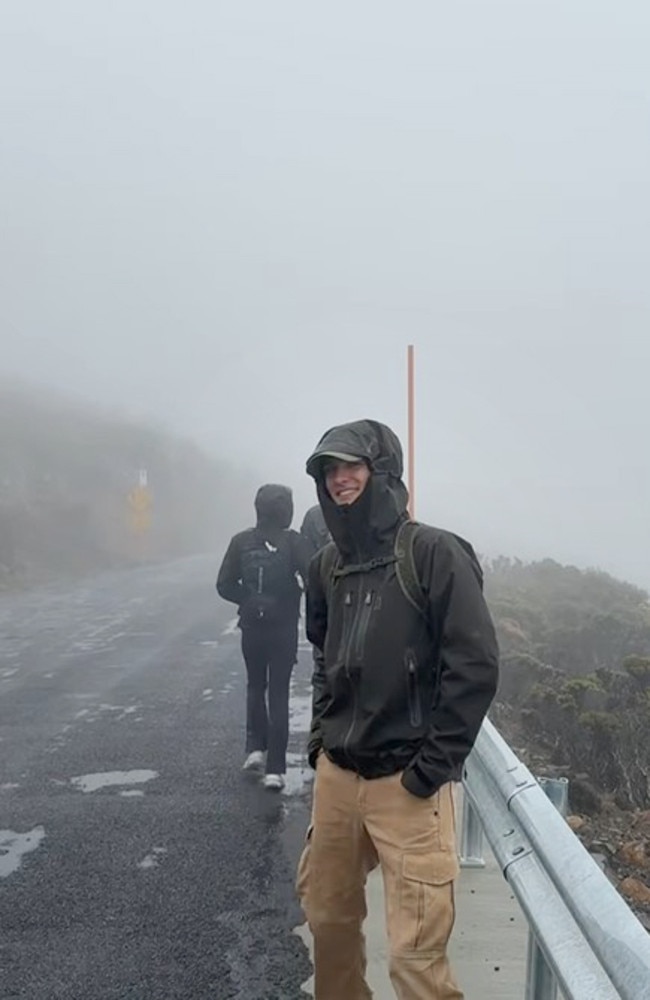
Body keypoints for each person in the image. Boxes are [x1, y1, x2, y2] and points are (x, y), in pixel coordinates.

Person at [296, 419, 499, 999]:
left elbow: (476, 665)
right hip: (338, 776)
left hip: (408, 784)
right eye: (329, 470)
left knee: (415, 957)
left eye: (351, 466)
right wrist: (318, 742)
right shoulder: (326, 566)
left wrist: (431, 768)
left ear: (381, 472)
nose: (339, 479)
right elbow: (322, 658)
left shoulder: (435, 553)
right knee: (327, 924)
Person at [216, 484, 309, 790]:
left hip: (251, 629)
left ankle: (255, 749)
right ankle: (276, 769)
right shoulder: (294, 542)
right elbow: (313, 580)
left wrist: (250, 599)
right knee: (279, 691)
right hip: (283, 629)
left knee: (256, 685)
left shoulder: (241, 541)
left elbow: (224, 584)